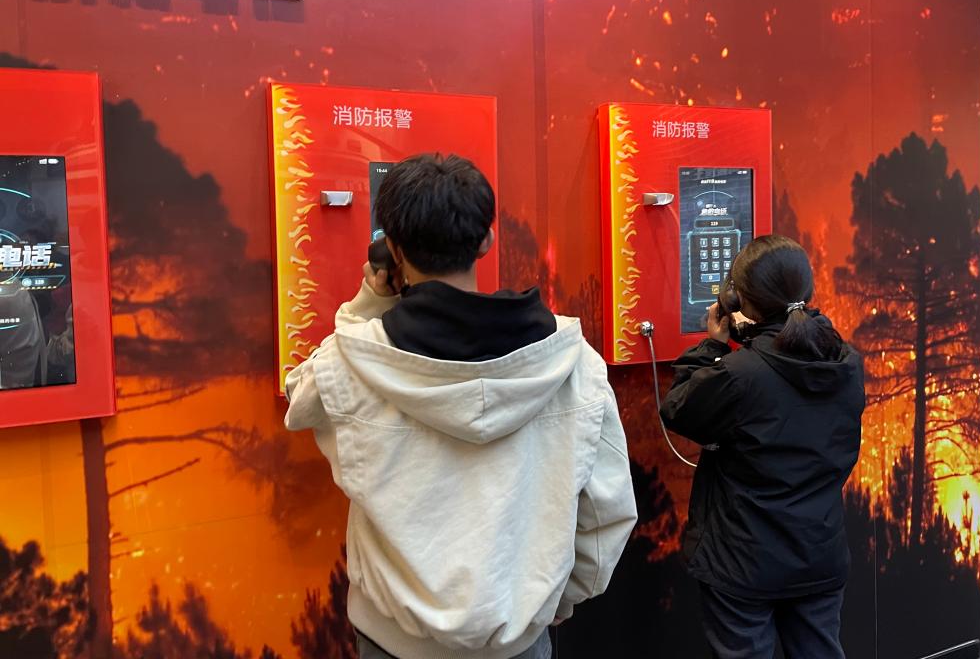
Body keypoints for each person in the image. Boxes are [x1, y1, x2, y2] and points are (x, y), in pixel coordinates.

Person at [284, 154, 637, 659]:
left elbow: (299, 398)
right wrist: (556, 600)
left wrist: (367, 305)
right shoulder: (573, 361)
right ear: (486, 240)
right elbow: (607, 511)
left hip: (391, 642)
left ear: (393, 249)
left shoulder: (352, 360)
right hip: (520, 642)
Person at [660, 234, 865, 659]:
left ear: (739, 300)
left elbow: (678, 408)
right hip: (819, 553)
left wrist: (713, 345)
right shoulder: (846, 362)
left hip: (743, 562)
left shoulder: (739, 374)